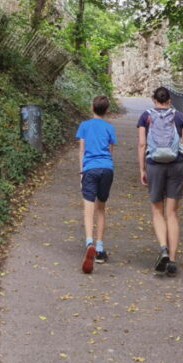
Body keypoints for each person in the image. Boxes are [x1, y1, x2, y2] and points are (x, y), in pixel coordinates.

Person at [137, 85, 183, 276]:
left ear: (154, 100)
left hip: (154, 165)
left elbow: (142, 144)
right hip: (176, 164)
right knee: (172, 213)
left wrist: (142, 168)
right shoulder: (179, 117)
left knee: (157, 211)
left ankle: (163, 249)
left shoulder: (146, 116)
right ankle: (173, 259)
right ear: (170, 100)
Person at [76, 94, 116, 274]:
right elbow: (110, 151)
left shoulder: (84, 126)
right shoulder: (109, 128)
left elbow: (82, 151)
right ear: (106, 110)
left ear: (92, 107)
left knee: (88, 209)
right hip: (106, 169)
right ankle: (99, 249)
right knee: (101, 208)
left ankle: (89, 243)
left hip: (90, 169)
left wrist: (82, 172)